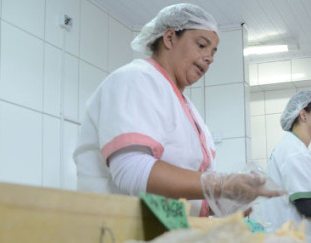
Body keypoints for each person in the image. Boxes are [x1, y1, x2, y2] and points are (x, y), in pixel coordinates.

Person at [74, 4, 281, 217]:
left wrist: (227, 202)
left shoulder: (188, 109)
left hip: (163, 235)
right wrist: (220, 185)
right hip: (118, 231)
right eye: (202, 45)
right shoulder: (135, 79)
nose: (209, 58)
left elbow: (184, 189)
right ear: (170, 38)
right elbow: (131, 170)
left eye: (213, 52)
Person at [257, 90, 311, 243]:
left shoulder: (291, 147)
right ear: (303, 115)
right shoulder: (294, 152)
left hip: (288, 240)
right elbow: (309, 207)